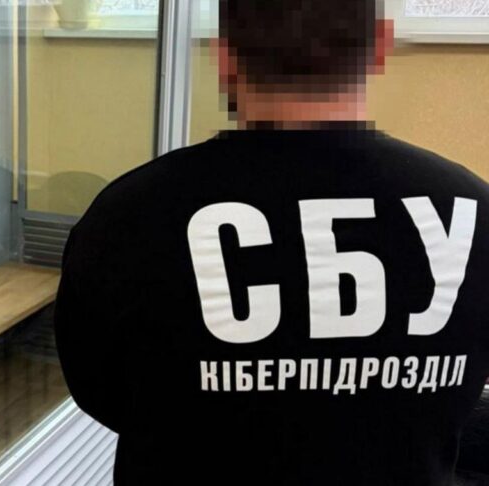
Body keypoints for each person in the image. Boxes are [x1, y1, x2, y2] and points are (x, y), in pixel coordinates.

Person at [53, 1, 489, 485]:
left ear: (224, 58)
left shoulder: (126, 216)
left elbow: (99, 392)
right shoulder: (475, 209)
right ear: (380, 47)